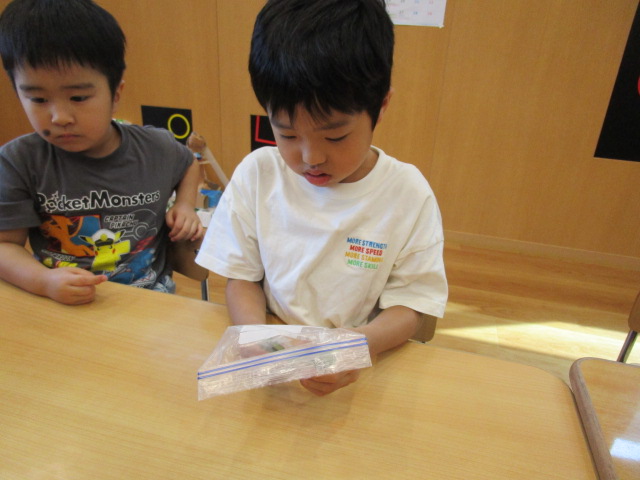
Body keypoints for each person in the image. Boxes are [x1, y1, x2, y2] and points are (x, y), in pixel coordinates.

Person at [196, 0, 448, 395]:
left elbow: (411, 306)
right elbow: (242, 278)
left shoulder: (407, 194)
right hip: (276, 345)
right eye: (287, 134)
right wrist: (259, 344)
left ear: (380, 107)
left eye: (335, 136)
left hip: (361, 362)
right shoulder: (259, 175)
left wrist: (358, 346)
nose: (311, 157)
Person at [0, 0, 203, 306]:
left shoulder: (156, 147)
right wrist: (44, 281)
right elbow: (5, 246)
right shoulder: (19, 161)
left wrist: (186, 205)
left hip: (151, 300)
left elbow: (188, 163)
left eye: (78, 97)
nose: (60, 117)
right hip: (64, 303)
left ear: (115, 93)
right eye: (38, 99)